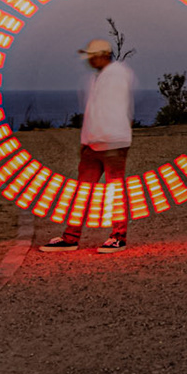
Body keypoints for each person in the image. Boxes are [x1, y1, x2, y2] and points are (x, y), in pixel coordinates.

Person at [41, 38, 136, 253]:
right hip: (96, 144)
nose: (90, 60)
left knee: (114, 190)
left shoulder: (117, 74)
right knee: (82, 192)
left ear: (103, 55)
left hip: (112, 143)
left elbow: (113, 110)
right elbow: (95, 112)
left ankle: (118, 237)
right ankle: (71, 237)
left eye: (93, 56)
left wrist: (106, 138)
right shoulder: (98, 78)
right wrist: (86, 141)